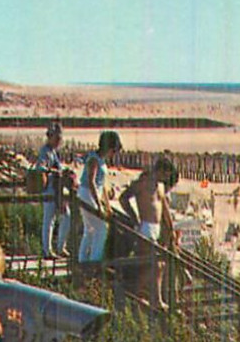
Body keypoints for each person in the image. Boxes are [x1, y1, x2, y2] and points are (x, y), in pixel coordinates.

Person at [119, 156, 174, 308]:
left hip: (156, 228)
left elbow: (164, 210)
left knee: (153, 264)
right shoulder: (143, 183)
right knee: (157, 264)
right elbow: (123, 198)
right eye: (165, 174)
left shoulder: (161, 186)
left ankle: (140, 293)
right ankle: (155, 299)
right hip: (146, 226)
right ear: (160, 170)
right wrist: (134, 217)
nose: (166, 178)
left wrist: (170, 228)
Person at [78, 130, 121, 263]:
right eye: (113, 151)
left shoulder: (101, 160)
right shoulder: (94, 159)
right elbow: (91, 182)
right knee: (101, 228)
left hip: (92, 193)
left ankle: (83, 260)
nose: (113, 154)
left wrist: (107, 206)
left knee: (90, 230)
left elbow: (103, 187)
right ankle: (94, 261)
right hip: (87, 193)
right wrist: (98, 205)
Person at [32, 123, 68, 258]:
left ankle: (60, 247)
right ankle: (47, 251)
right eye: (57, 138)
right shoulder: (45, 151)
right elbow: (40, 167)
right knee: (49, 219)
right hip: (49, 189)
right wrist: (54, 171)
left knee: (66, 216)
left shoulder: (54, 152)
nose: (59, 141)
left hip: (56, 189)